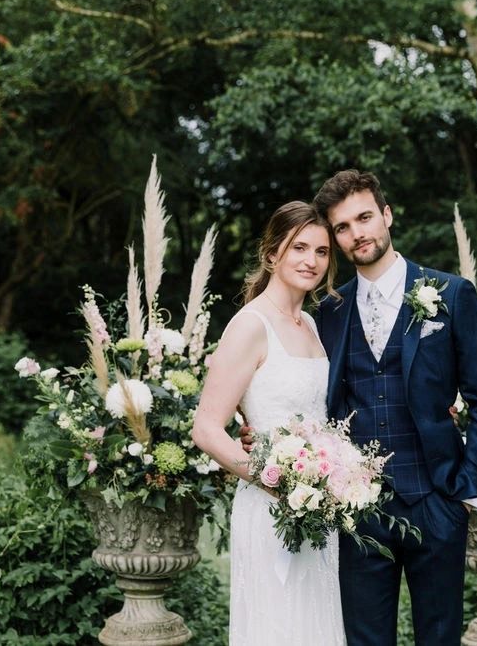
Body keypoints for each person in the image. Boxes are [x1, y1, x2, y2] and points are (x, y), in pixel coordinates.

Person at [313, 170, 477, 645]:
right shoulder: (329, 312)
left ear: (387, 215)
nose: (357, 233)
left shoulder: (451, 294)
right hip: (358, 512)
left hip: (437, 500)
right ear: (336, 239)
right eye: (342, 227)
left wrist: (468, 489)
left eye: (364, 217)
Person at [190, 201, 346, 645]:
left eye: (321, 252)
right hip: (271, 504)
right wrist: (272, 480)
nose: (310, 261)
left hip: (319, 509)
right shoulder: (250, 325)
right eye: (299, 248)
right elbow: (205, 428)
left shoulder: (313, 325)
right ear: (272, 253)